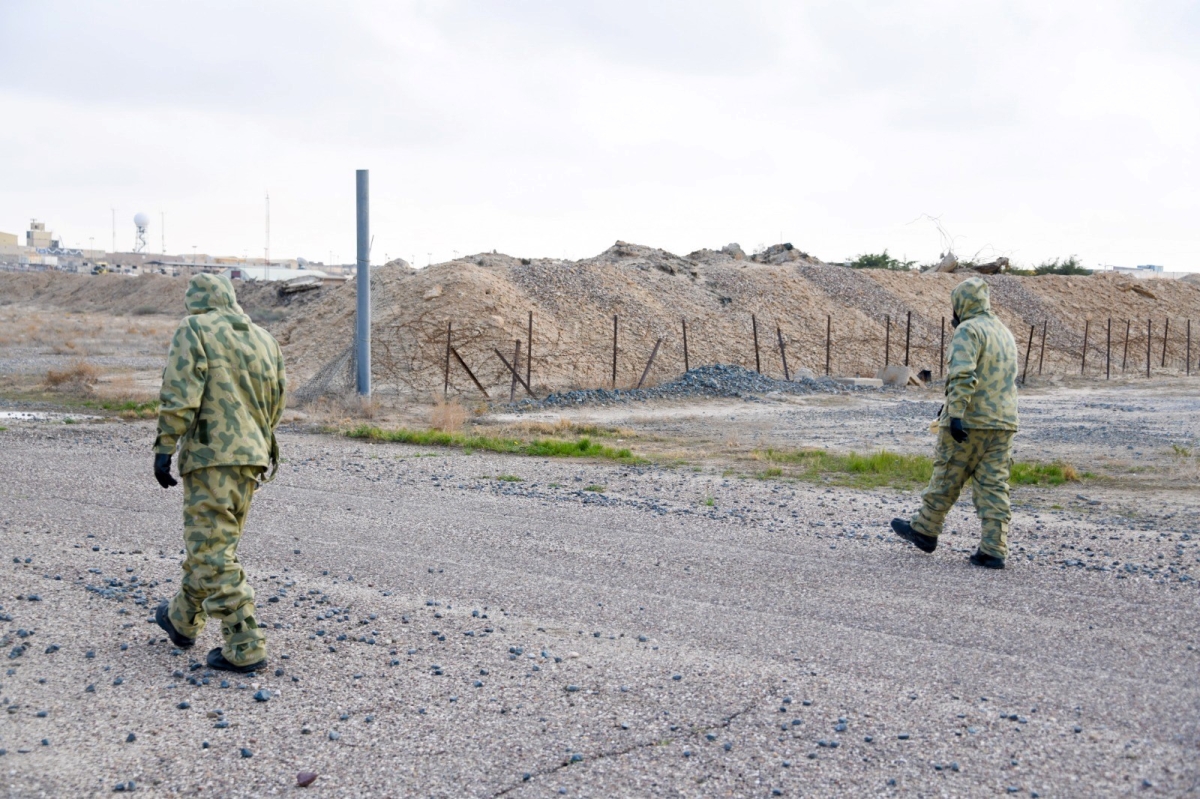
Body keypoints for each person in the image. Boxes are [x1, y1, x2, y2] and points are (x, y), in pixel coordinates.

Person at [151, 273, 286, 671]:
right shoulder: (264, 338)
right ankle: (182, 618)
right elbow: (277, 399)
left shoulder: (195, 327)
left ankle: (245, 644)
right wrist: (255, 439)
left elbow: (180, 392)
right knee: (213, 544)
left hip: (211, 457)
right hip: (253, 456)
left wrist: (165, 445)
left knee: (211, 551)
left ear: (196, 301)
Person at [891, 277, 1018, 569]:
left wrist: (956, 413)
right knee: (995, 485)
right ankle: (993, 549)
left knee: (947, 475)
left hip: (971, 421)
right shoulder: (1004, 332)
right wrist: (948, 405)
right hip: (1004, 422)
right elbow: (993, 377)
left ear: (962, 304)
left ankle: (925, 529)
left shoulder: (968, 330)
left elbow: (964, 374)